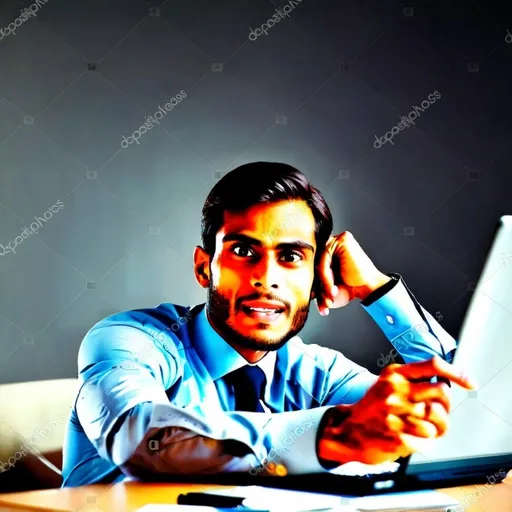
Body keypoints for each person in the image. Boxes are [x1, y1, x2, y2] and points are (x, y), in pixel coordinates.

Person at [61, 162, 473, 487]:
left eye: (292, 256)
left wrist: (379, 291)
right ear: (204, 268)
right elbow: (141, 438)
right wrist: (332, 434)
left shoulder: (318, 372)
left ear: (317, 276)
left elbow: (467, 423)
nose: (267, 277)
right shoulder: (128, 342)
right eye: (243, 250)